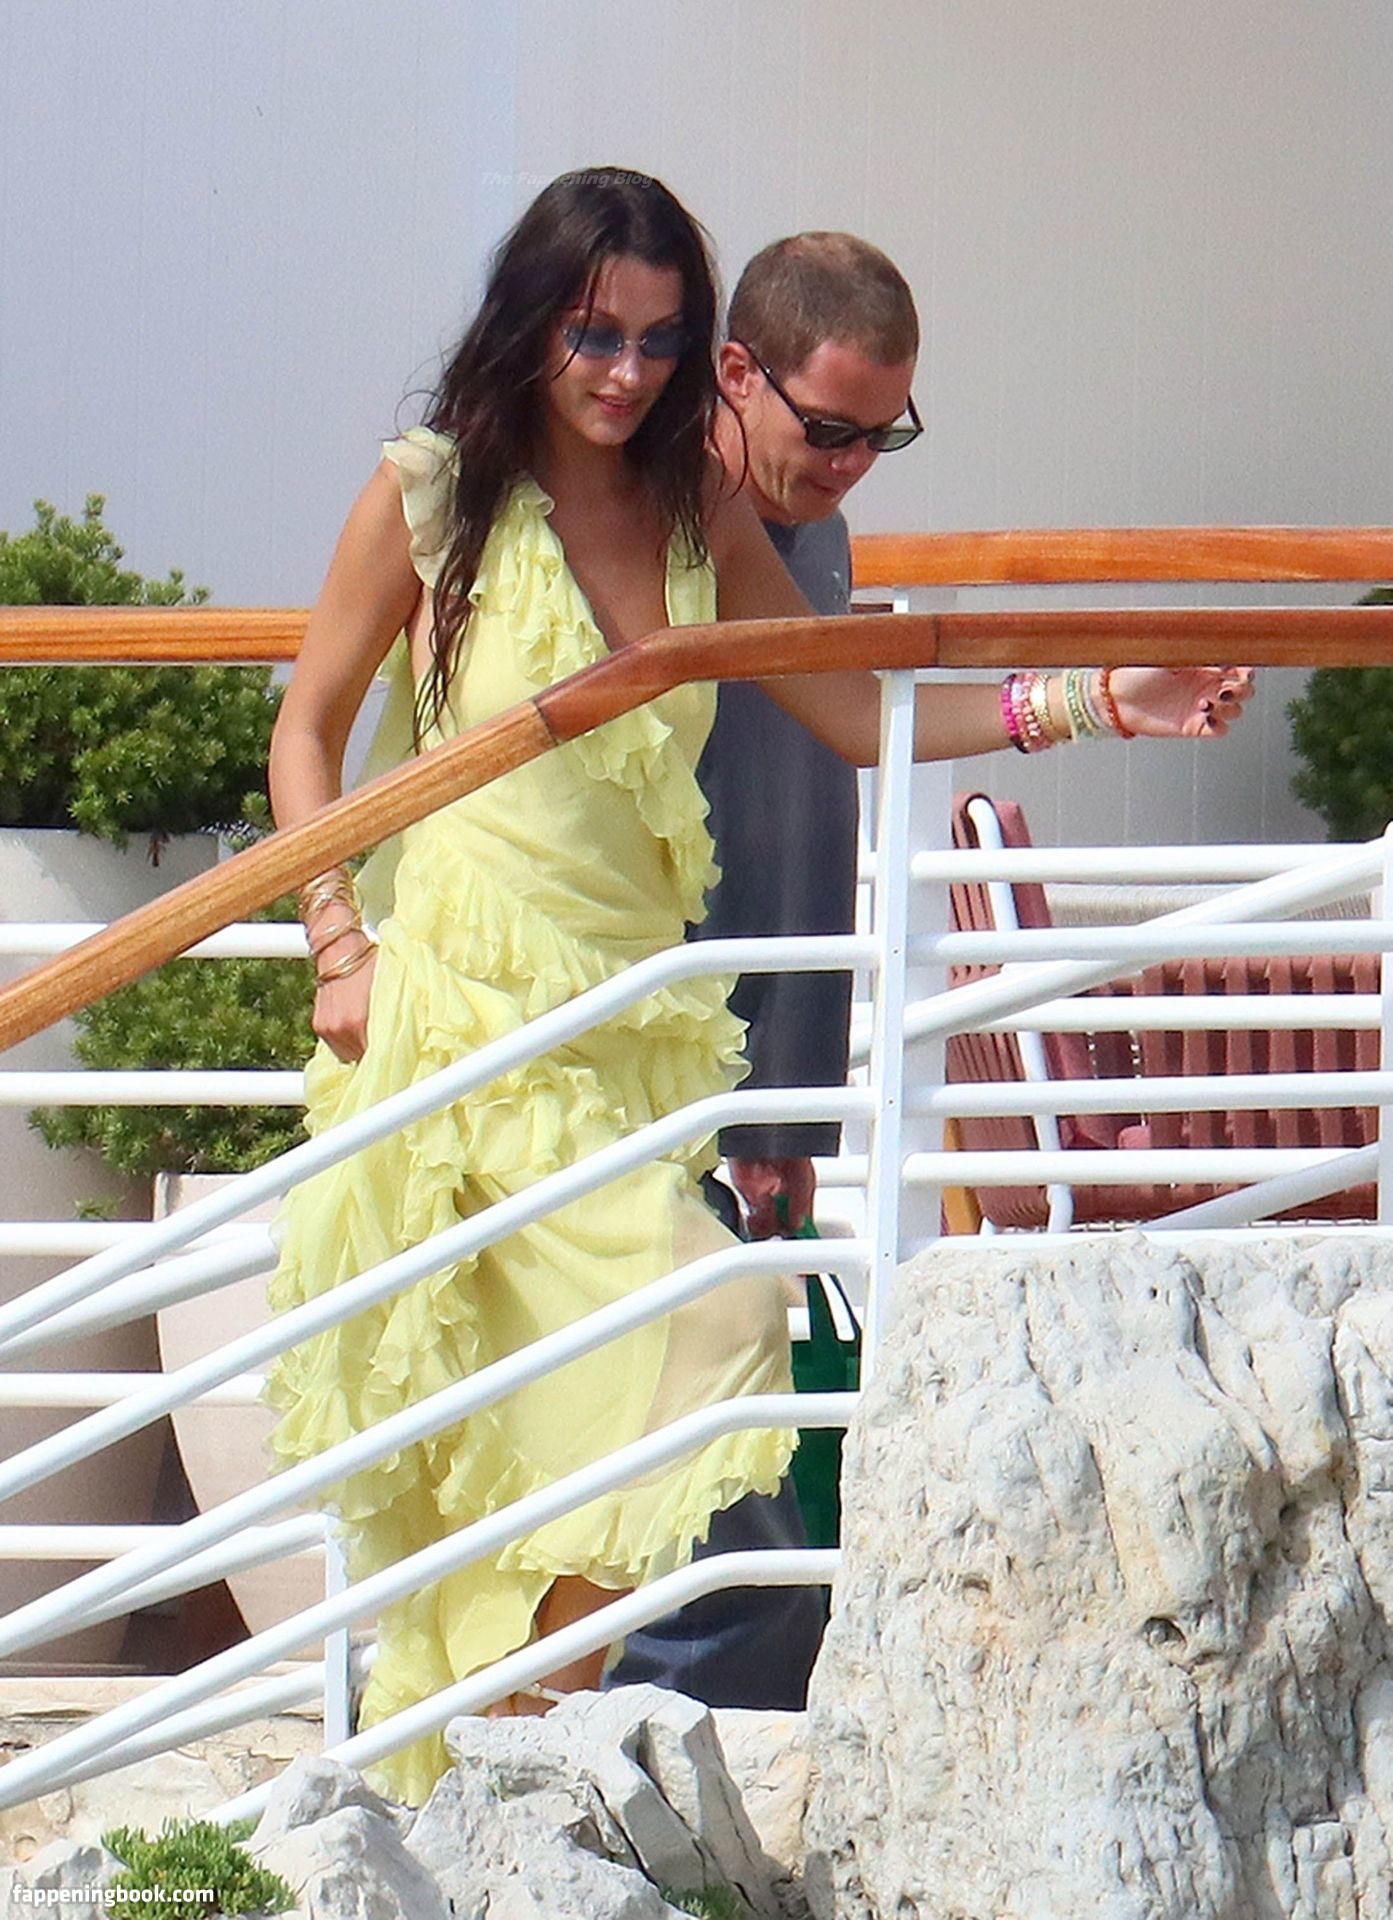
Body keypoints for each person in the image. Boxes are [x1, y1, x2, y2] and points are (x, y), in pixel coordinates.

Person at [265, 168, 1252, 1804]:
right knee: (642, 1361)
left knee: (622, 1409)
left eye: (659, 339)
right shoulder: (431, 491)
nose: (626, 370)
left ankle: (487, 1781)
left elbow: (852, 716)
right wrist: (335, 944)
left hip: (631, 1036)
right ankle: (494, 1786)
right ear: (531, 320)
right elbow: (306, 728)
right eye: (595, 333)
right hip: (455, 1019)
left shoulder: (696, 511)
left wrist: (1098, 699)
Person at [609, 232, 920, 1709]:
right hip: (617, 1037)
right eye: (832, 427)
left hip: (735, 1070)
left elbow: (806, 810)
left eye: (883, 436)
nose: (851, 465)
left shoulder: (807, 535)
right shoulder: (657, 517)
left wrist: (791, 1113)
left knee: (727, 1422)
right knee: (689, 1423)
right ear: (736, 372)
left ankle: (685, 1721)